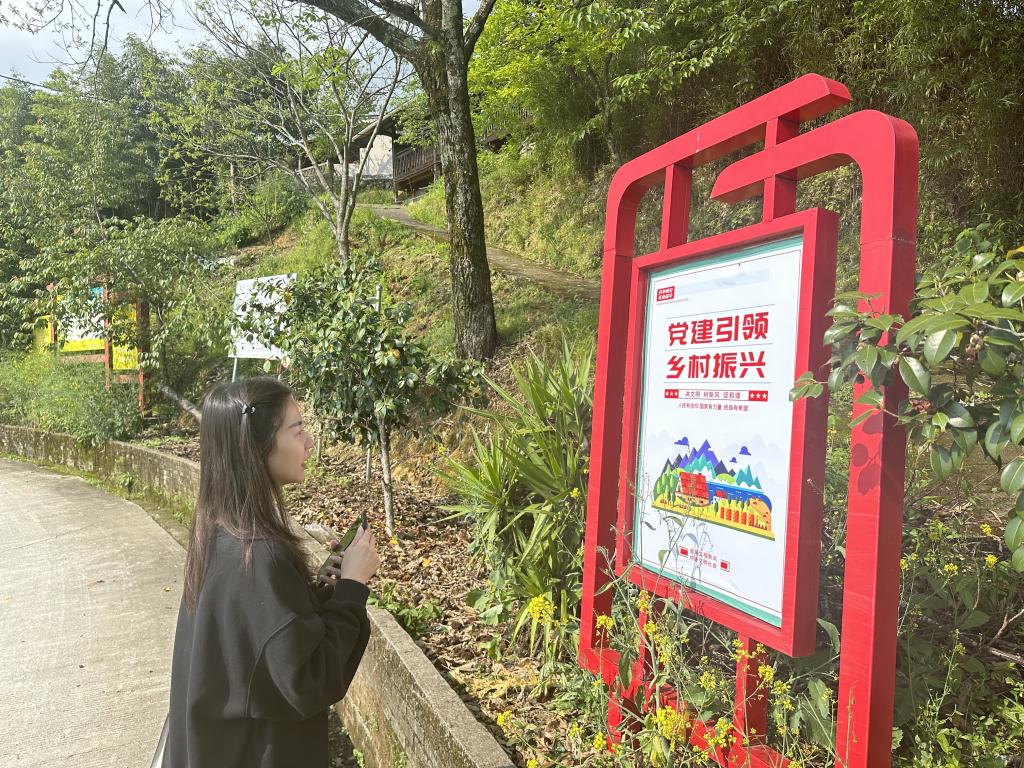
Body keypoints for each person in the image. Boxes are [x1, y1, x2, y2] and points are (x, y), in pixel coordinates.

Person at [162, 375, 381, 768]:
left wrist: (319, 595)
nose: (309, 442)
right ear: (258, 444)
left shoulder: (219, 532)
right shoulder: (260, 554)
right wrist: (352, 587)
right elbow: (308, 679)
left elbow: (261, 644)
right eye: (297, 430)